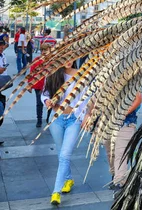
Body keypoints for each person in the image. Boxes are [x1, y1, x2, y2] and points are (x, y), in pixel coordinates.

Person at [41, 62, 87, 205]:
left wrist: (86, 115)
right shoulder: (53, 74)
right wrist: (47, 101)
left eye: (73, 57)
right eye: (68, 56)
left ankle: (56, 192)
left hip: (73, 119)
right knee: (61, 153)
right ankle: (68, 179)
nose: (70, 60)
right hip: (56, 119)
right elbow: (45, 94)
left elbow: (87, 96)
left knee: (65, 154)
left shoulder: (81, 74)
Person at [103, 93, 142, 192]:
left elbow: (138, 99)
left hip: (126, 124)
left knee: (120, 154)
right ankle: (115, 175)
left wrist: (122, 114)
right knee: (110, 153)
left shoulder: (131, 79)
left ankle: (119, 182)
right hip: (107, 124)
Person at [28, 43, 52, 128]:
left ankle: (49, 118)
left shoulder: (53, 60)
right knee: (39, 103)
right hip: (39, 85)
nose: (44, 52)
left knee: (51, 102)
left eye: (46, 50)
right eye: (42, 50)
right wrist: (30, 84)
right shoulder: (36, 60)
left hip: (50, 85)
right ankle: (39, 119)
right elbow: (32, 73)